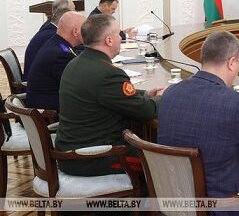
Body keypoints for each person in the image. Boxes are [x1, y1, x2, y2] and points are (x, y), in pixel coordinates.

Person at [158, 31, 239, 216]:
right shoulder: (235, 104)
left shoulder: (171, 93)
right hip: (221, 210)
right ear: (232, 62)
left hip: (174, 202)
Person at [55, 14, 163, 176]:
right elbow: (147, 111)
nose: (121, 38)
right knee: (162, 165)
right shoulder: (108, 73)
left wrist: (146, 93)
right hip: (93, 157)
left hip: (72, 152)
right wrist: (166, 96)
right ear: (109, 40)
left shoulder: (75, 63)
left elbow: (110, 93)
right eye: (118, 34)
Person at [26, 11, 85, 112]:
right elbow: (77, 86)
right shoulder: (61, 55)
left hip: (46, 103)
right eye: (85, 29)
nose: (88, 32)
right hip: (49, 113)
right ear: (75, 31)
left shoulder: (56, 43)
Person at [23, 0, 75, 80]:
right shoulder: (52, 35)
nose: (75, 13)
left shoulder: (49, 27)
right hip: (36, 82)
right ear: (64, 15)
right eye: (73, 10)